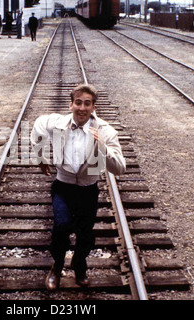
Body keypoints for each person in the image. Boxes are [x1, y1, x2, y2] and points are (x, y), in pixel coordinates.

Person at [30, 84, 126, 290]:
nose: (82, 108)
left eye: (87, 104)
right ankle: (57, 266)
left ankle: (79, 264)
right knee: (61, 227)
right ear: (71, 104)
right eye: (78, 102)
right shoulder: (57, 123)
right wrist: (39, 155)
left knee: (85, 233)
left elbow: (119, 168)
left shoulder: (106, 132)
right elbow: (38, 124)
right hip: (63, 186)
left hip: (88, 190)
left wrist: (103, 148)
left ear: (93, 108)